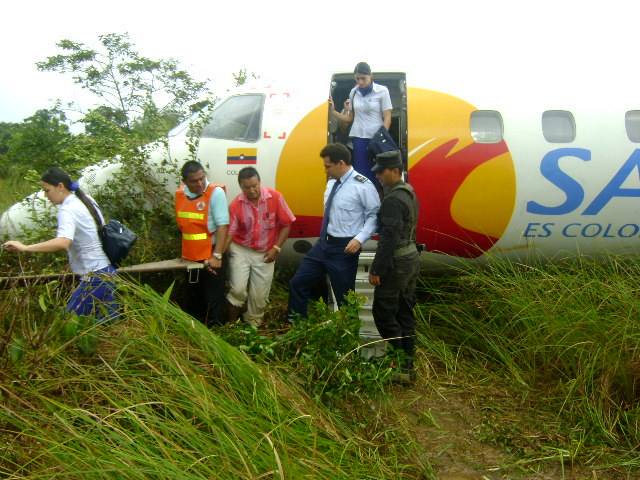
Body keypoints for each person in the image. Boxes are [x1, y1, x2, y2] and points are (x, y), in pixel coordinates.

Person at [3, 167, 117, 321]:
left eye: (47, 190)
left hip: (94, 277)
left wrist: (25, 248)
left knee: (67, 323)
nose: (45, 195)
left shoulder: (68, 209)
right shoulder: (84, 200)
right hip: (107, 272)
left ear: (60, 187)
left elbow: (63, 242)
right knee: (110, 329)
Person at [288, 143, 380, 319]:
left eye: (328, 166)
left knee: (344, 299)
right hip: (323, 245)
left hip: (344, 248)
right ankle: (297, 325)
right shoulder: (331, 184)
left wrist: (359, 239)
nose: (325, 170)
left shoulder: (363, 185)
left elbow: (374, 217)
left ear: (341, 163)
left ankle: (349, 338)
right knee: (297, 283)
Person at [368, 150, 420, 382]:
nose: (378, 175)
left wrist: (377, 269)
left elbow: (388, 237)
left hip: (397, 261)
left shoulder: (392, 199)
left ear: (395, 171)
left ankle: (398, 362)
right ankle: (407, 364)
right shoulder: (408, 192)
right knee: (404, 311)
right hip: (410, 256)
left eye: (381, 171)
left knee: (383, 310)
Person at [224, 167, 296, 326]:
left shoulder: (275, 198)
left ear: (259, 182)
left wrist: (276, 248)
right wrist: (218, 254)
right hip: (241, 249)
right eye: (247, 187)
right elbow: (230, 232)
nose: (252, 190)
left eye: (254, 185)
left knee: (259, 296)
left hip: (266, 251)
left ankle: (252, 328)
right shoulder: (236, 205)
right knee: (237, 289)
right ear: (241, 187)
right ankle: (231, 326)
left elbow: (287, 224)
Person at [176, 160, 229, 326]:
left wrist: (217, 256)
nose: (199, 183)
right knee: (193, 297)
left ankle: (217, 334)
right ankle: (195, 334)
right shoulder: (179, 195)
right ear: (185, 182)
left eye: (202, 178)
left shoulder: (215, 193)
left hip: (212, 253)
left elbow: (223, 226)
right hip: (190, 255)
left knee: (213, 297)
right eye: (194, 181)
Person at [329, 61, 393, 186]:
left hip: (376, 138)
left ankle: (377, 202)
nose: (360, 82)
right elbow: (350, 118)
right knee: (361, 175)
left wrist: (382, 136)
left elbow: (387, 116)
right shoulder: (354, 92)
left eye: (363, 78)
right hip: (359, 138)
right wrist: (333, 112)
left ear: (371, 76)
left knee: (378, 174)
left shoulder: (382, 91)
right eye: (357, 79)